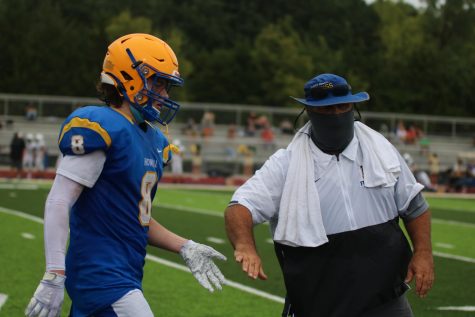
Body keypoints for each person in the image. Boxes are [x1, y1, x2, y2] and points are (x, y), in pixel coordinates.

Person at [25, 33, 226, 317]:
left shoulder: (153, 140)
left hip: (125, 273)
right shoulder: (103, 125)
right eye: (158, 82)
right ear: (130, 77)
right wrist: (55, 274)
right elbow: (59, 200)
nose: (165, 94)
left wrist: (185, 246)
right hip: (102, 277)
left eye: (167, 86)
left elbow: (136, 217)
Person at [224, 73, 434, 317]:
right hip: (318, 305)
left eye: (342, 106)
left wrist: (423, 252)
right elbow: (240, 206)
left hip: (386, 301)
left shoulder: (380, 150)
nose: (336, 114)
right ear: (309, 112)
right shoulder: (286, 163)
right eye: (326, 109)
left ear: (353, 107)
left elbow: (414, 206)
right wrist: (245, 246)